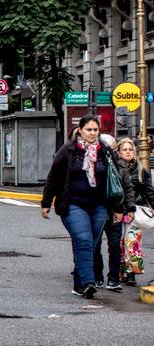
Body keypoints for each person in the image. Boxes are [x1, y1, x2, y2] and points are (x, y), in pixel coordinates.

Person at [41, 115, 125, 299]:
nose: (92, 133)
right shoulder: (68, 151)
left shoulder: (106, 151)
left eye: (95, 130)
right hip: (73, 204)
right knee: (84, 240)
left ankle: (79, 284)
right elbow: (53, 177)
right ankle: (88, 282)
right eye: (89, 129)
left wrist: (119, 208)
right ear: (80, 130)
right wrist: (46, 202)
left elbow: (116, 180)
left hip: (100, 206)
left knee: (92, 244)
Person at [93, 136, 132, 291]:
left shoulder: (119, 166)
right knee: (96, 245)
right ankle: (98, 277)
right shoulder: (93, 164)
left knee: (114, 245)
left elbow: (127, 189)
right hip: (98, 210)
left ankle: (113, 279)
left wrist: (130, 208)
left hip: (115, 210)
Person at [116, 137, 153, 286]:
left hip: (135, 212)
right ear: (119, 152)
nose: (128, 152)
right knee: (119, 243)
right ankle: (121, 272)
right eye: (124, 149)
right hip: (118, 211)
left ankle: (132, 273)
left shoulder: (140, 170)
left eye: (130, 149)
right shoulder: (114, 168)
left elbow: (149, 192)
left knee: (133, 243)